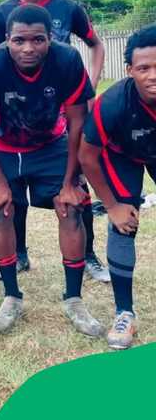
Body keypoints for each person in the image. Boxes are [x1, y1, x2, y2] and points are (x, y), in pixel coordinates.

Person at [0, 4, 101, 336]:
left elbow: (76, 122)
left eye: (37, 40)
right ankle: (11, 296)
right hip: (5, 146)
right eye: (19, 41)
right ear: (6, 40)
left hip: (50, 144)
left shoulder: (68, 61)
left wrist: (71, 181)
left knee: (71, 208)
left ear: (51, 38)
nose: (28, 48)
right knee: (2, 211)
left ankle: (73, 299)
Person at [0, 0, 108, 281]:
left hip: (58, 112)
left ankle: (90, 255)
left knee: (76, 193)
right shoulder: (0, 14)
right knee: (14, 193)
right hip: (13, 119)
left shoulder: (68, 8)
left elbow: (95, 45)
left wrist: (89, 89)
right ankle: (19, 254)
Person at [78, 25, 156, 349]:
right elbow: (86, 156)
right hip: (122, 156)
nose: (153, 75)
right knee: (124, 225)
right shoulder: (112, 103)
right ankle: (125, 312)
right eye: (144, 68)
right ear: (129, 71)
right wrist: (111, 206)